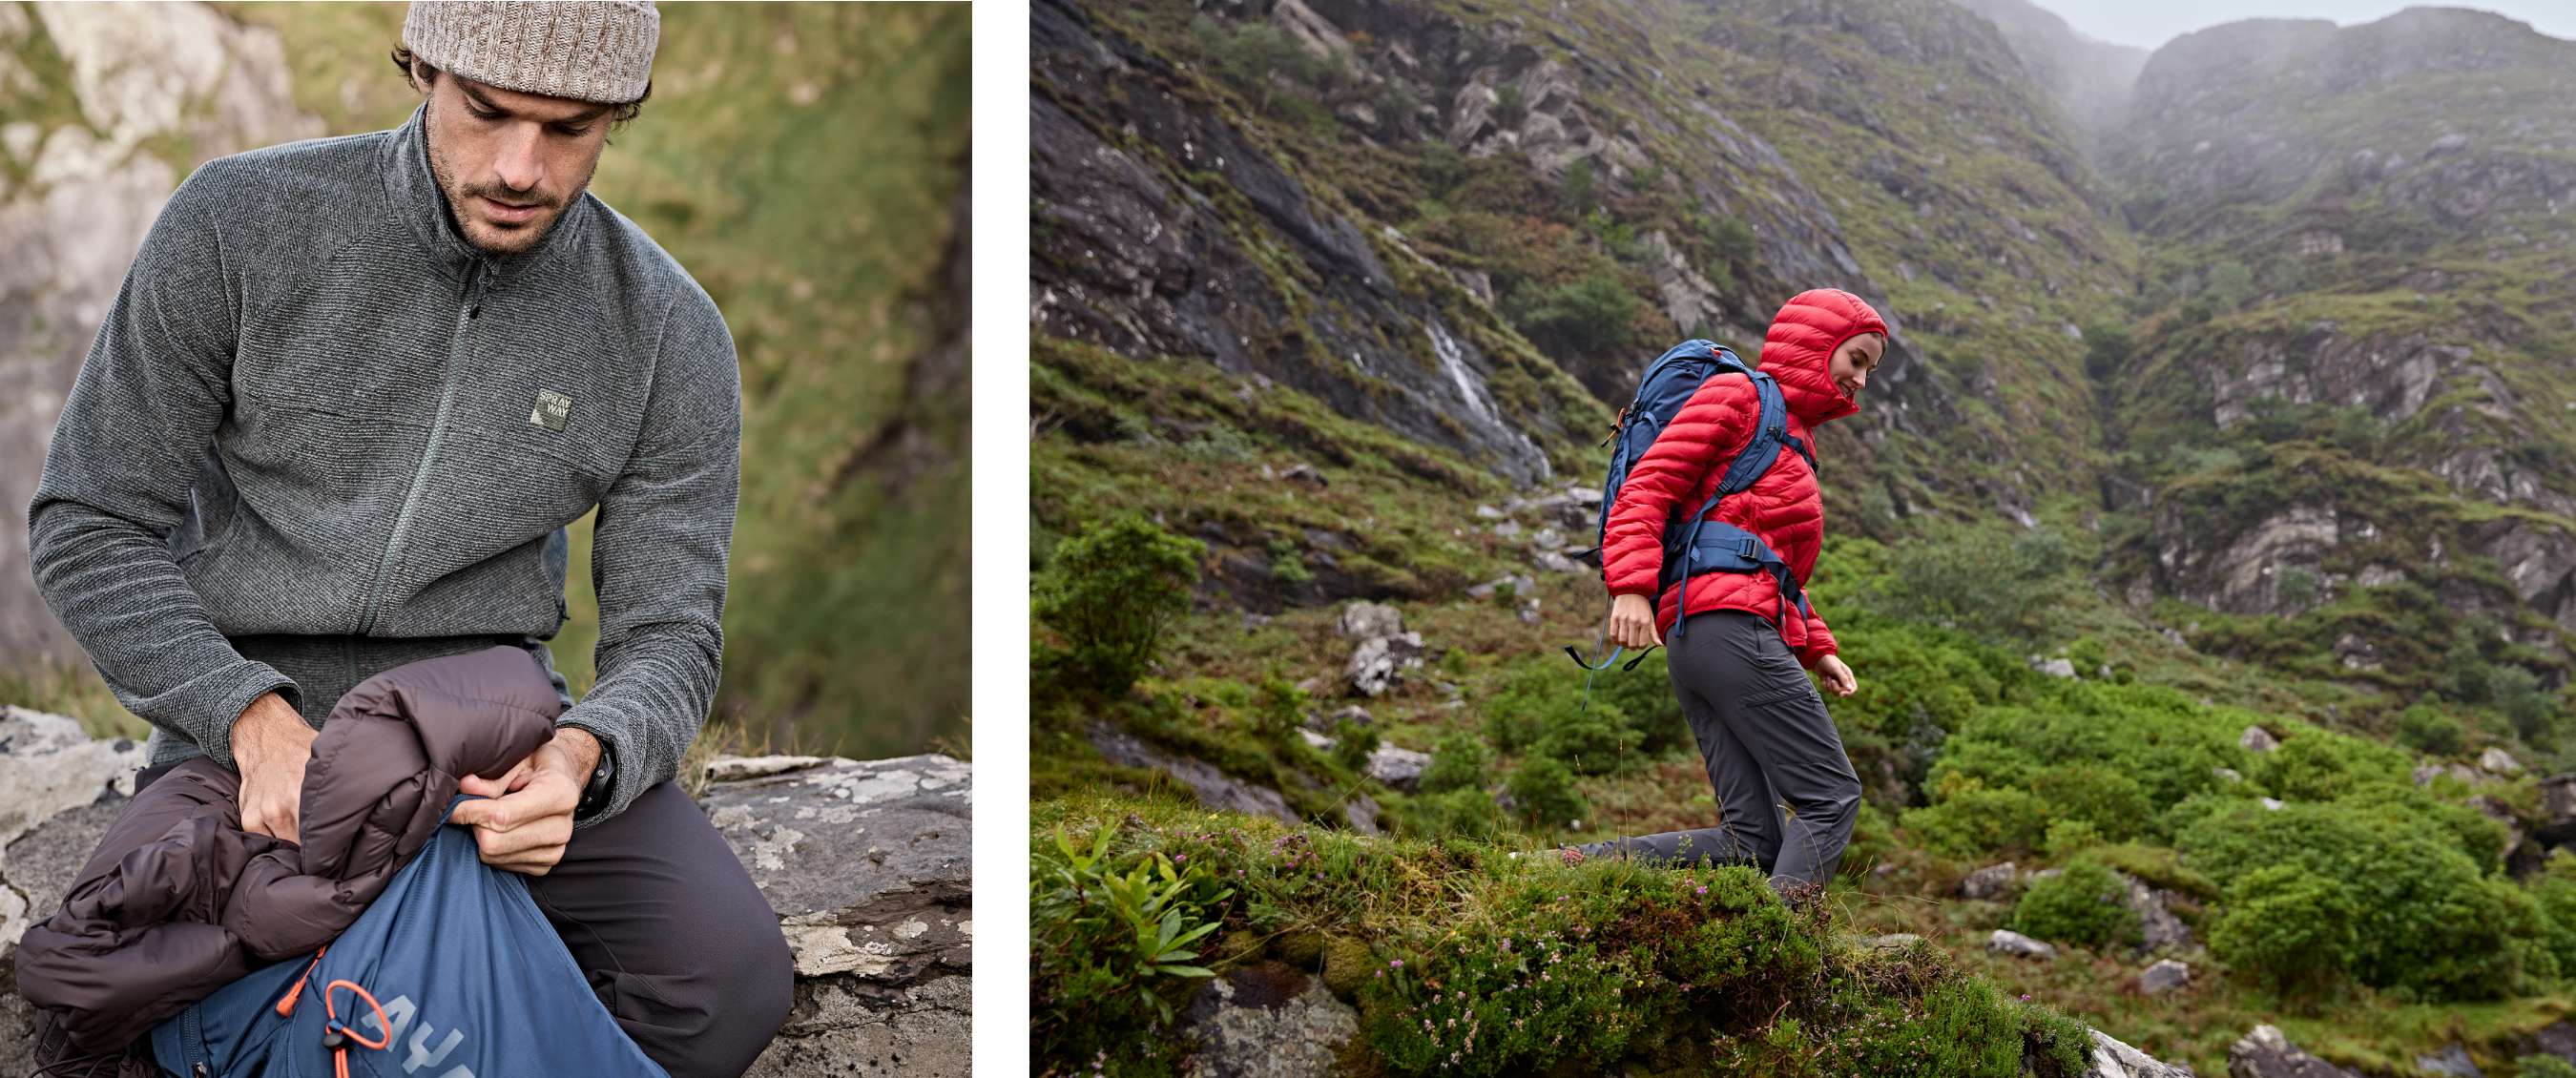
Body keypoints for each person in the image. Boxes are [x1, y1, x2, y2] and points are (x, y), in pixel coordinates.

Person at [23, 3, 792, 1075]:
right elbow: (89, 520)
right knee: (130, 985)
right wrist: (244, 714)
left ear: (621, 114)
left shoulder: (669, 330)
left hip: (494, 740)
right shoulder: (238, 221)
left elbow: (671, 638)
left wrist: (585, 757)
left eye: (569, 129)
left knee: (726, 979)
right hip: (247, 734)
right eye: (488, 111)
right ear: (424, 67)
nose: (521, 165)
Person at [1567, 288, 1890, 906]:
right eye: (1857, 358)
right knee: (1831, 796)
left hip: (1708, 637)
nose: (1861, 379)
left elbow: (1769, 567)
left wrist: (1818, 648)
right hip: (1726, 629)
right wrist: (1630, 588)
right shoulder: (1741, 396)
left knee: (1752, 842)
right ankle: (1779, 954)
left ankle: (1562, 866)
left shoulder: (1792, 442)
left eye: (1870, 368)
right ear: (1820, 346)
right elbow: (1649, 486)